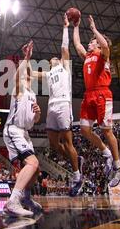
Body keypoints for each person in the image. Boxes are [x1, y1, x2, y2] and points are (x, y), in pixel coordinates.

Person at [30, 13, 83, 196]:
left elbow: (64, 47)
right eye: (51, 59)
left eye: (55, 58)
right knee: (53, 144)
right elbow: (32, 75)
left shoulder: (64, 67)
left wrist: (65, 27)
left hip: (63, 105)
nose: (52, 58)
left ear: (60, 61)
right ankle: (75, 159)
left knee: (68, 143)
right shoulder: (49, 73)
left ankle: (77, 176)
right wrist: (25, 60)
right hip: (51, 107)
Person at [73, 15, 120, 187]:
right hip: (89, 95)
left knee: (107, 131)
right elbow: (77, 44)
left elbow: (106, 45)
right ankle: (106, 152)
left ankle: (117, 164)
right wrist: (75, 26)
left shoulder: (103, 55)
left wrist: (94, 29)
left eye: (92, 41)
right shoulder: (87, 56)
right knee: (84, 130)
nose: (89, 43)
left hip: (102, 94)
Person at [3, 40, 43, 217]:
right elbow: (16, 77)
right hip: (13, 129)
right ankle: (13, 201)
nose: (27, 77)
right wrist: (26, 58)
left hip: (25, 132)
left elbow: (33, 121)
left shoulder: (32, 95)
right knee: (32, 163)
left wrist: (37, 114)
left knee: (36, 168)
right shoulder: (18, 89)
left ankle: (26, 198)